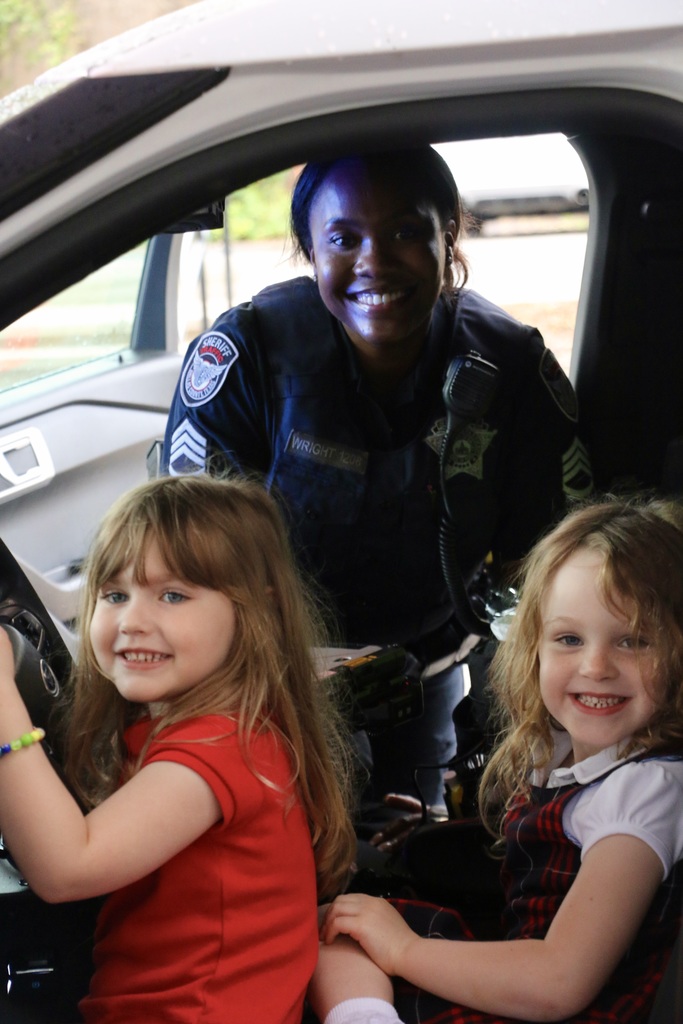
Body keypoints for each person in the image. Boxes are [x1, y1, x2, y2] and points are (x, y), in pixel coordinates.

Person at [163, 147, 592, 809]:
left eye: (404, 232)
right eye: (343, 238)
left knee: (415, 834)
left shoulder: (509, 366)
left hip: (430, 662)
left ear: (447, 234)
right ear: (308, 248)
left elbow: (541, 572)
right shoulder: (246, 356)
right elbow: (186, 570)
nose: (374, 262)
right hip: (271, 672)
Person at [306, 496, 683, 1024]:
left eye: (633, 641)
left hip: (548, 1001)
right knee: (337, 925)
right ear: (534, 646)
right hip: (520, 975)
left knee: (353, 935)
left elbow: (560, 981)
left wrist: (403, 951)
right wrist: (429, 831)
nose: (596, 666)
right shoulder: (567, 753)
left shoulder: (646, 791)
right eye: (569, 638)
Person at [0, 474, 356, 1024]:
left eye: (172, 596)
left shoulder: (221, 747)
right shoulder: (208, 722)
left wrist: (3, 706)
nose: (133, 621)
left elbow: (66, 867)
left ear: (251, 614)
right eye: (115, 595)